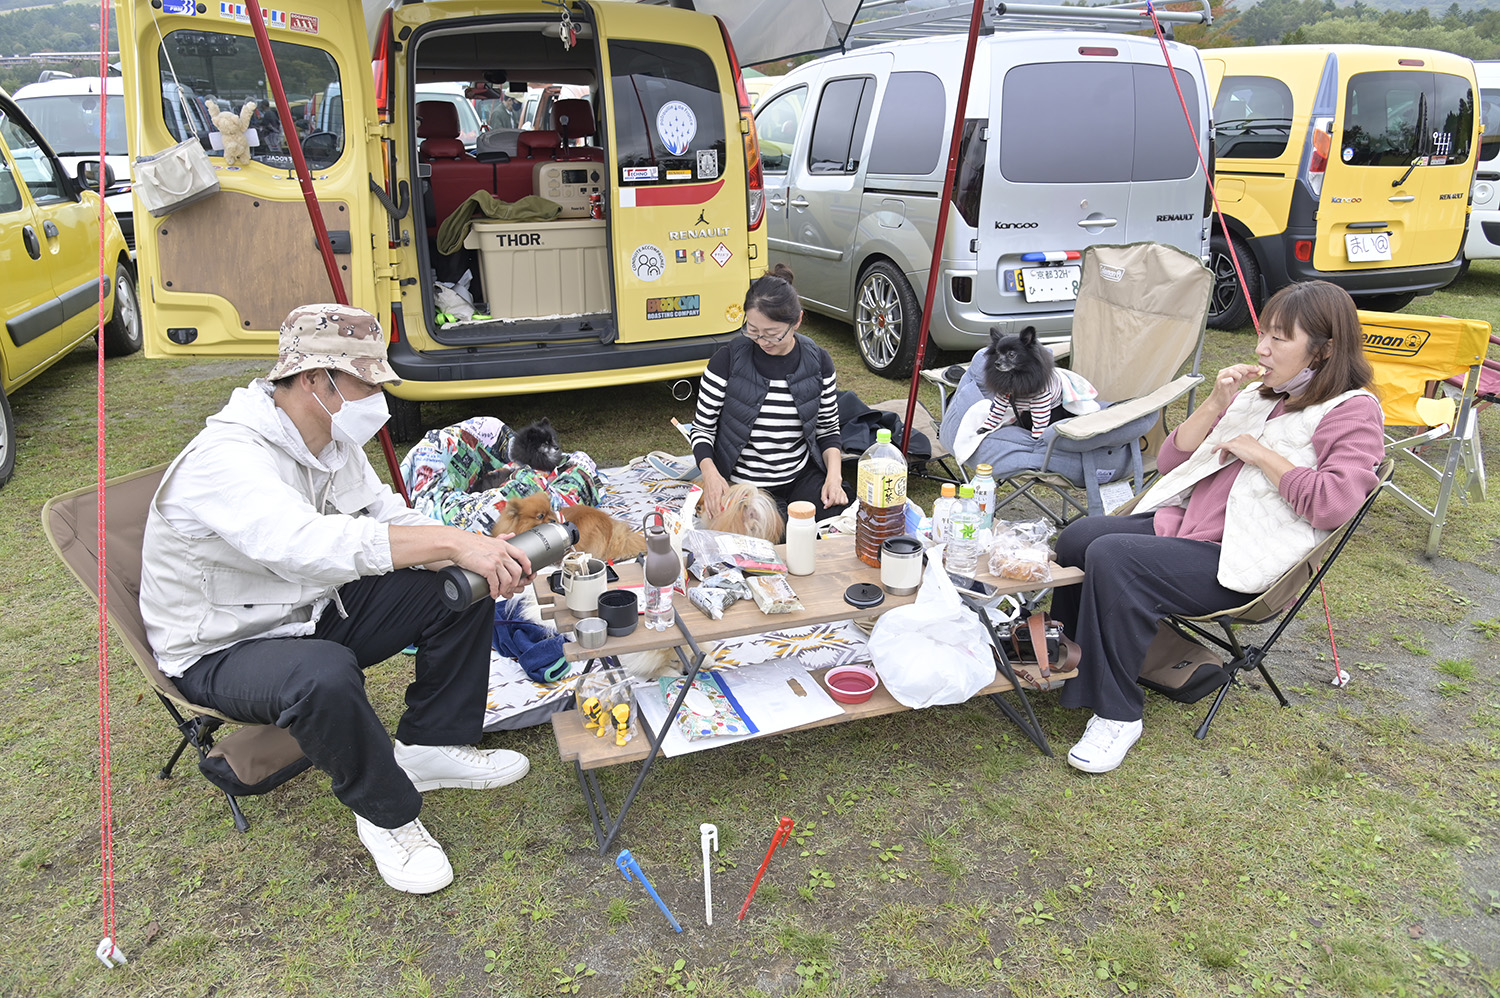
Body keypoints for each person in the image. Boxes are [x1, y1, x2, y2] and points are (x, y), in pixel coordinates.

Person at [139, 304, 536, 895]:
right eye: (365, 382)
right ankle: (387, 815)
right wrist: (449, 539)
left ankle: (430, 746)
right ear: (312, 380)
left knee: (460, 584)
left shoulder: (329, 439)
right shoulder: (226, 457)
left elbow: (382, 513)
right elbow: (302, 545)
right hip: (220, 646)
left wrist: (463, 550)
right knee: (323, 673)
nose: (377, 397)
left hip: (310, 609)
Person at [1049, 280, 1385, 774]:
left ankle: (1118, 714)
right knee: (1080, 537)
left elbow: (1333, 504)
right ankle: (1073, 663)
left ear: (1325, 349)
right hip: (1190, 531)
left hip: (1241, 559)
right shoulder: (1259, 395)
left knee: (1114, 556)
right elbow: (1169, 461)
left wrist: (1262, 455)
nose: (1261, 349)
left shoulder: (1351, 411)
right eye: (1262, 334)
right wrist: (1215, 403)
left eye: (1279, 339)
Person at [691, 264, 849, 524]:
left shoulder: (819, 362)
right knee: (760, 533)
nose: (762, 341)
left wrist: (834, 477)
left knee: (839, 519)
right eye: (753, 331)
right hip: (743, 487)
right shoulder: (726, 360)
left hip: (798, 478)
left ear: (796, 321)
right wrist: (710, 474)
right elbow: (702, 430)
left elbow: (828, 430)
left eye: (773, 334)